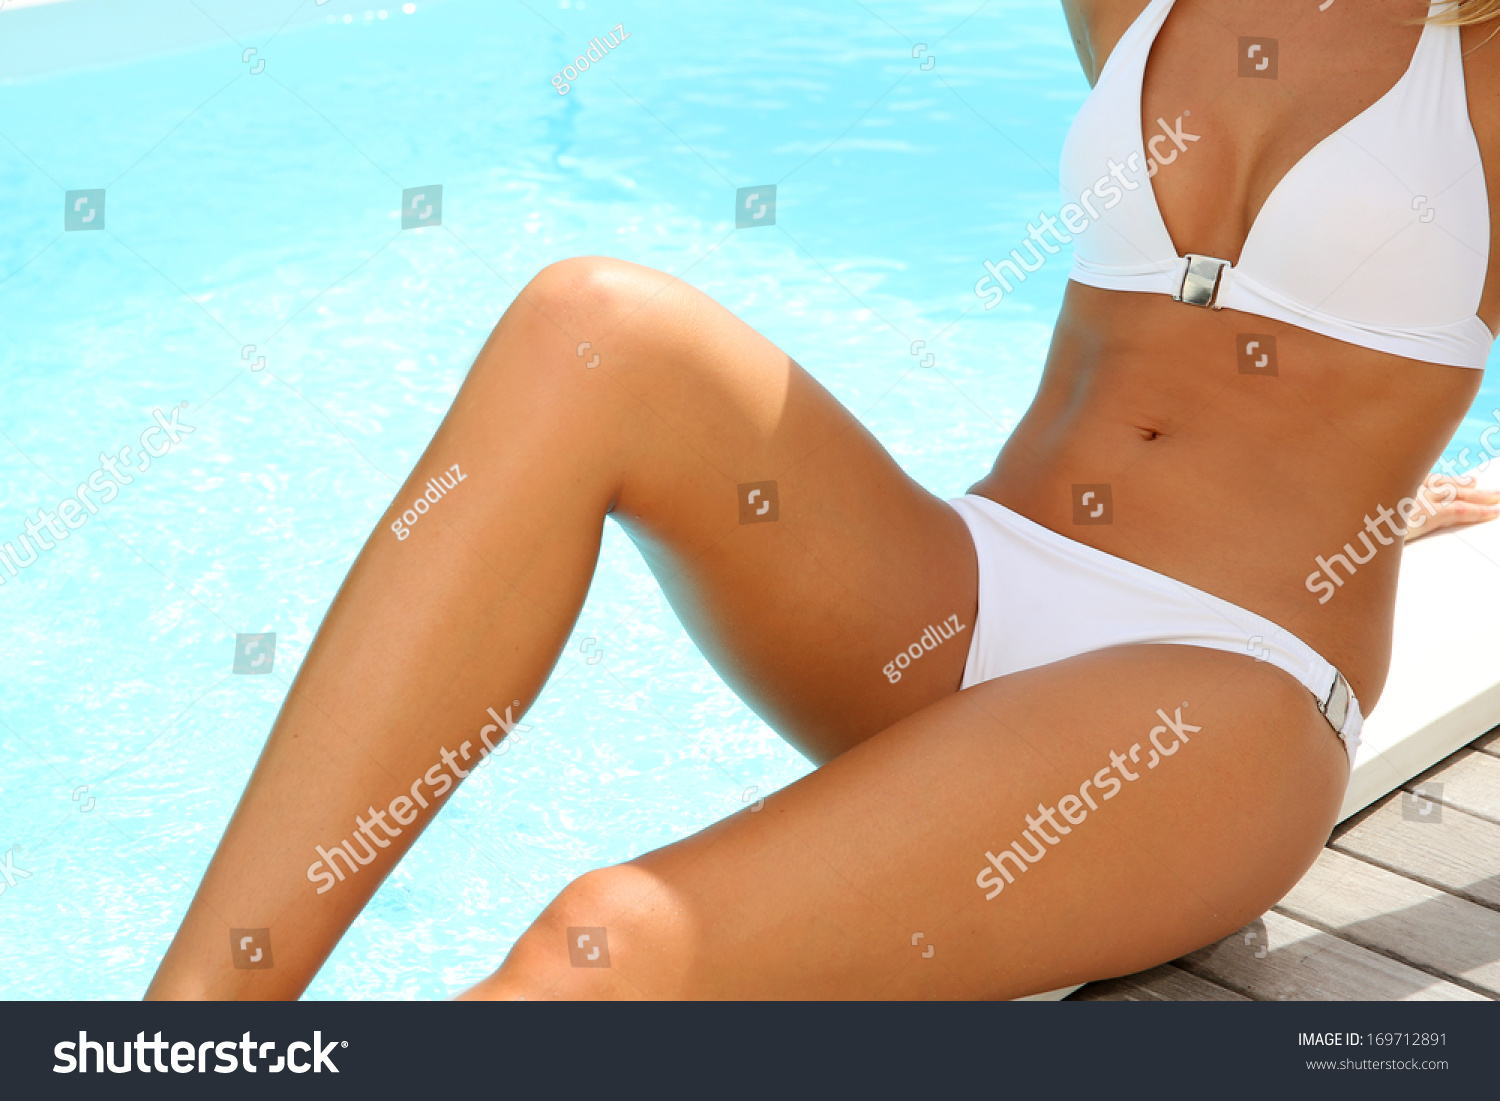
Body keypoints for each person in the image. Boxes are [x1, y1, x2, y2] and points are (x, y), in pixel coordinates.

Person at [147, 0, 1500, 1001]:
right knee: (591, 327)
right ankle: (196, 1030)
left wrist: (1363, 508)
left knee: (601, 947)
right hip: (966, 596)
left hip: (1230, 696)